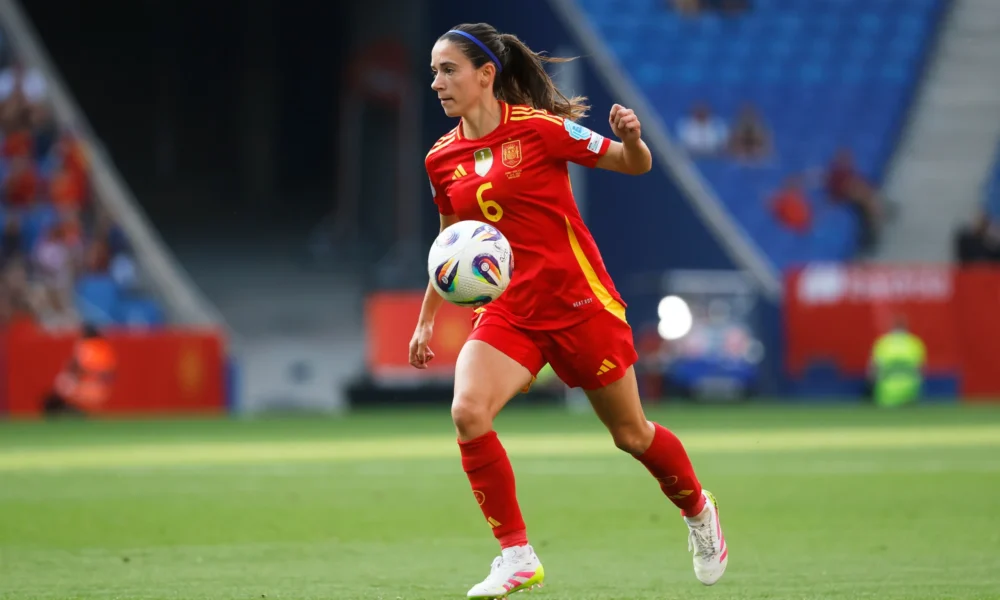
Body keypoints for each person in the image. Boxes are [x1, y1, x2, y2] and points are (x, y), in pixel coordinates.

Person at [414, 23, 728, 599]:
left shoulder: (539, 130)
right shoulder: (442, 158)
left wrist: (632, 139)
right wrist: (427, 318)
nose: (436, 82)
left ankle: (698, 509)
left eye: (447, 69)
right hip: (510, 312)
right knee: (468, 412)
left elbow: (634, 165)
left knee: (631, 435)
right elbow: (450, 241)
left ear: (486, 75)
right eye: (434, 71)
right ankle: (516, 555)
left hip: (579, 305)